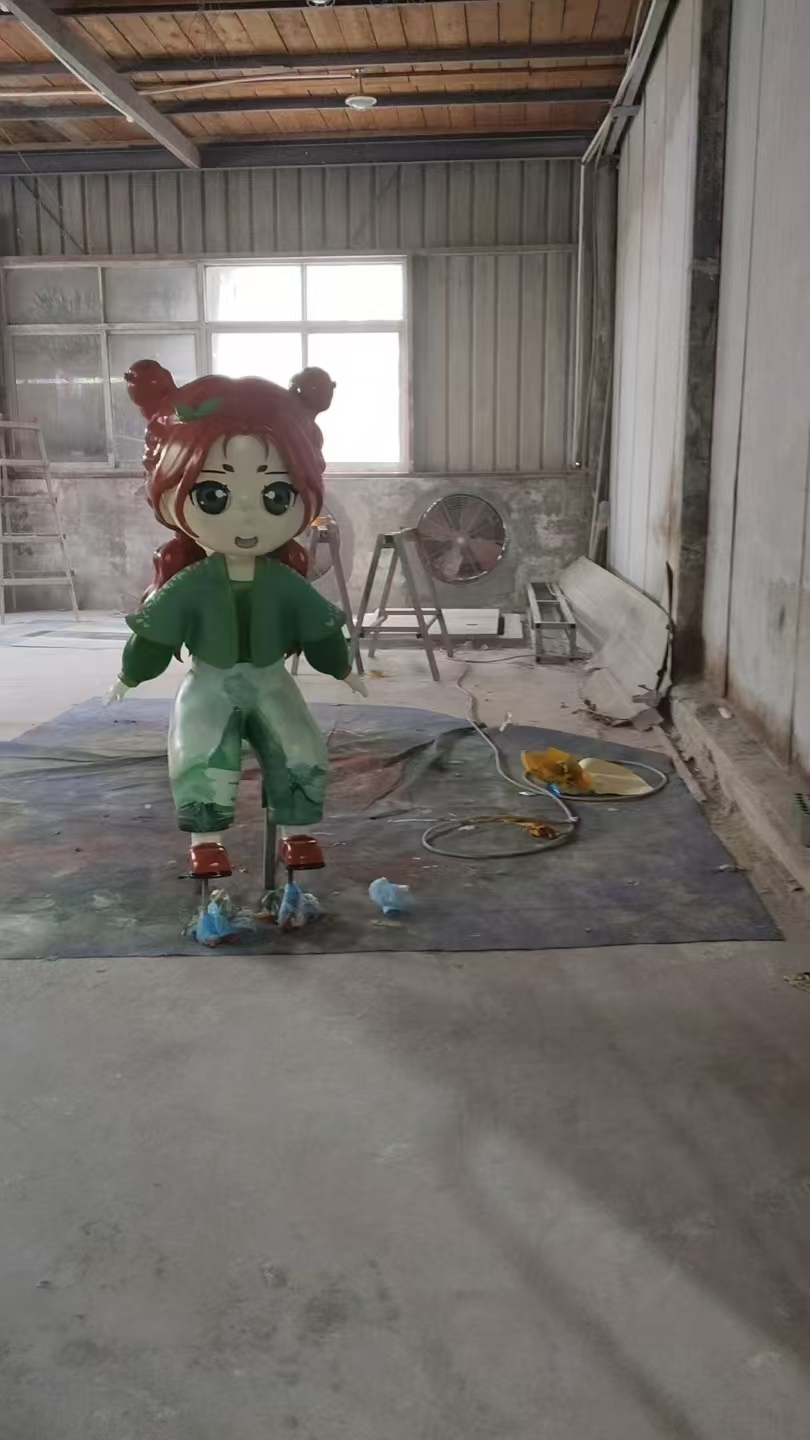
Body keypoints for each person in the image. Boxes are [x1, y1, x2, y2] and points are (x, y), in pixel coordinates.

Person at [107, 360, 365, 881]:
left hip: (271, 679)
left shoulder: (284, 583)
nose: (247, 516)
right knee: (199, 754)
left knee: (301, 748)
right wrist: (130, 674)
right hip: (210, 682)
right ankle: (206, 842)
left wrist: (341, 667)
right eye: (214, 495)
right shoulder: (191, 584)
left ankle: (297, 832)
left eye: (275, 496)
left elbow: (319, 628)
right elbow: (155, 634)